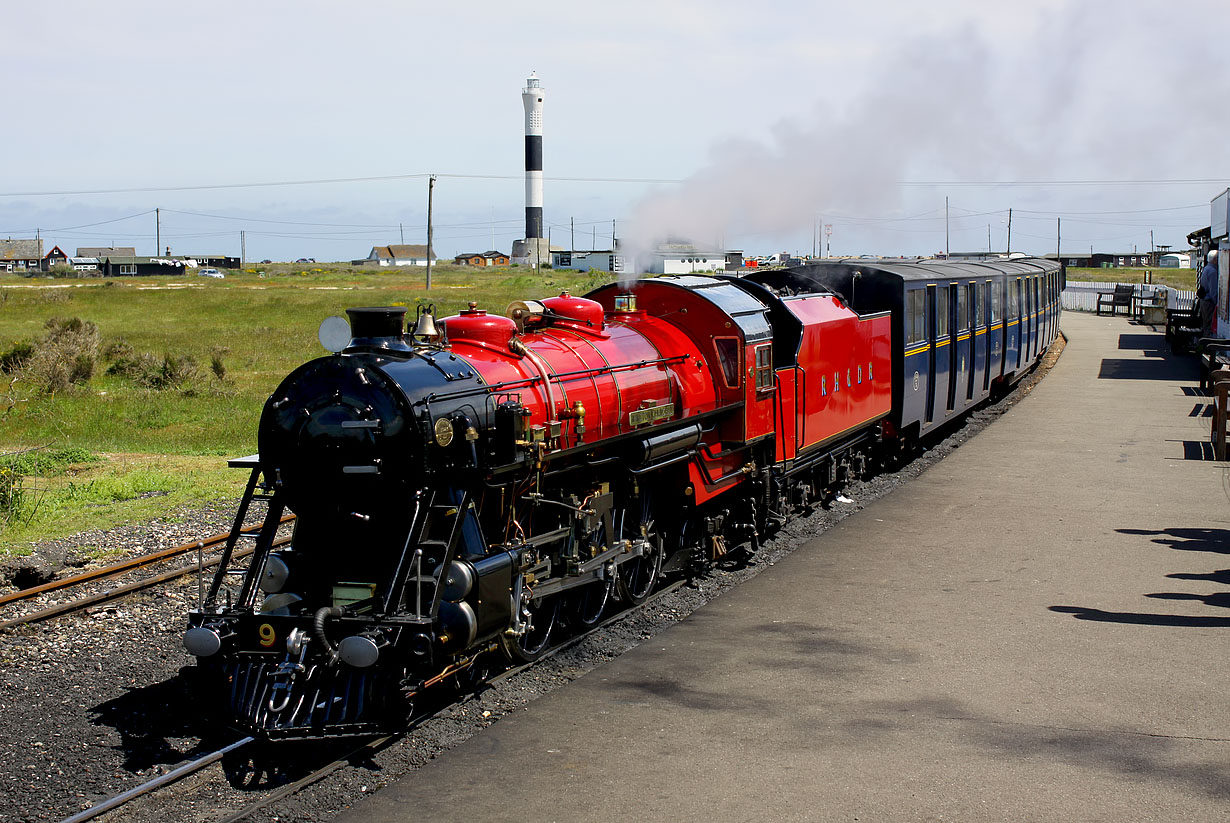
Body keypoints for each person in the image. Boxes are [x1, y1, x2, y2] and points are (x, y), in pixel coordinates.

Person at [1198, 249, 1219, 339]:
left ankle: (1204, 345)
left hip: (1204, 300)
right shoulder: (1213, 271)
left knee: (1205, 324)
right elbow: (1213, 289)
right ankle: (1208, 346)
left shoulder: (1206, 268)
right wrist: (1217, 303)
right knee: (1209, 325)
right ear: (1215, 259)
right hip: (1209, 302)